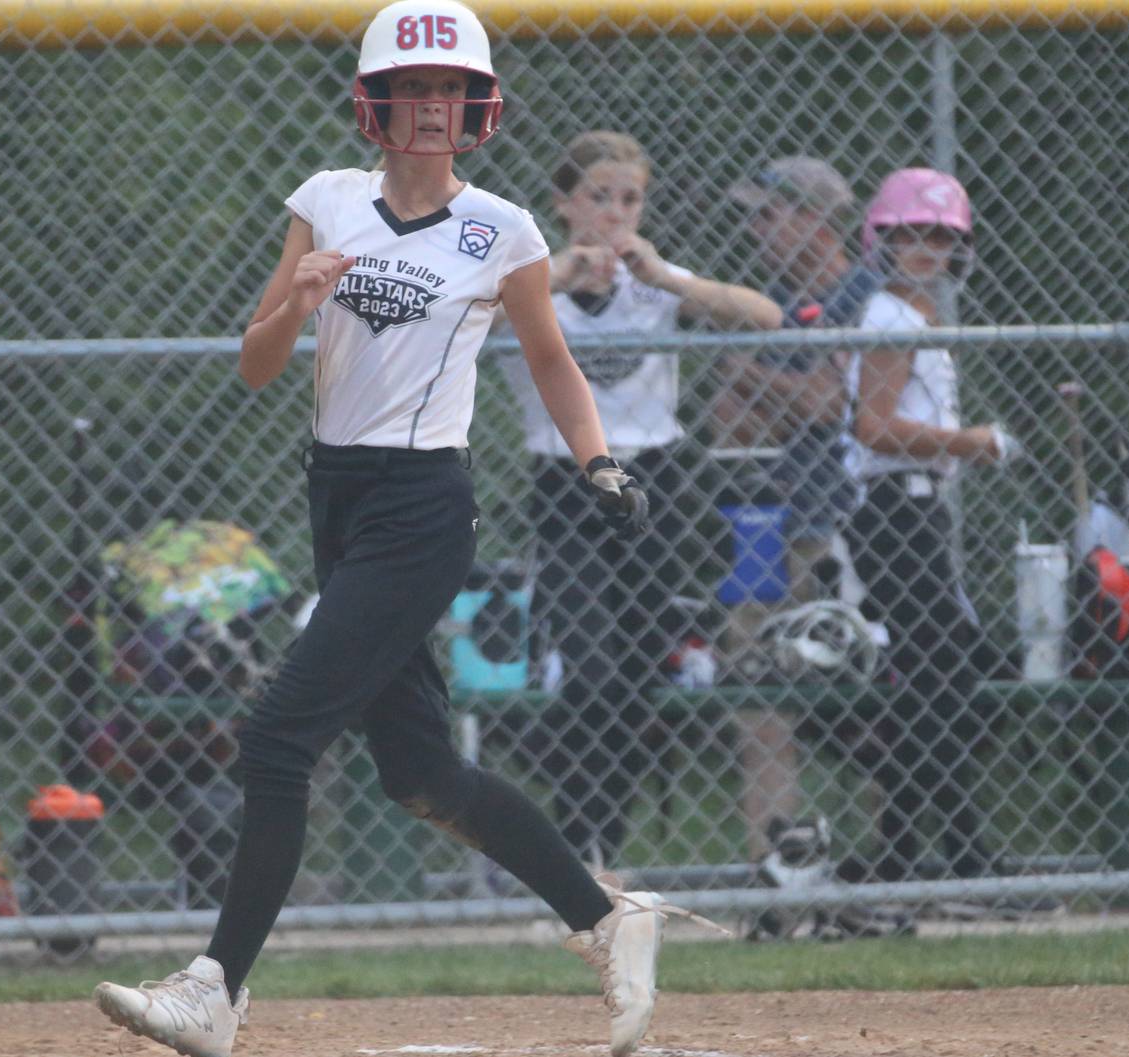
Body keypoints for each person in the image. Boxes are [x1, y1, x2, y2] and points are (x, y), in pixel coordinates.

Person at [92, 6, 721, 1057]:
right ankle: (608, 916)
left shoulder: (506, 229)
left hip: (425, 506)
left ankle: (215, 990)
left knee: (276, 734)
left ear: (476, 107)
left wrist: (598, 460)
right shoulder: (328, 201)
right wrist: (292, 302)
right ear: (374, 104)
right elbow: (255, 363)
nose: (432, 107)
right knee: (420, 773)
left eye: (450, 90)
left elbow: (553, 362)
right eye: (412, 89)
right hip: (336, 496)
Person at [501, 129, 781, 868]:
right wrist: (556, 274)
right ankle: (572, 843)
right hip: (567, 484)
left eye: (630, 199)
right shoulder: (534, 281)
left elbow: (763, 315)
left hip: (650, 482)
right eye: (598, 198)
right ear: (563, 205)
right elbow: (462, 315)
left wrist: (667, 278)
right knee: (588, 672)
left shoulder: (651, 282)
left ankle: (604, 855)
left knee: (633, 679)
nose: (615, 213)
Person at [843, 167, 1019, 882]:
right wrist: (970, 443)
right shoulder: (890, 315)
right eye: (909, 234)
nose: (926, 248)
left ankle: (901, 855)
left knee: (934, 683)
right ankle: (960, 856)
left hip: (917, 510)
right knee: (942, 678)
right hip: (896, 512)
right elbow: (874, 427)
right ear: (881, 240)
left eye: (941, 237)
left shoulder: (913, 315)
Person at [710, 156, 878, 858]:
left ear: (815, 220)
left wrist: (750, 368)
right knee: (759, 706)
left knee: (872, 707)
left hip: (850, 524)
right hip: (762, 527)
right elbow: (729, 423)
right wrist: (781, 388)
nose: (755, 228)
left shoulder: (868, 294)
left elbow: (829, 404)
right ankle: (771, 871)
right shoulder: (770, 299)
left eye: (768, 213)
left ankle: (884, 869)